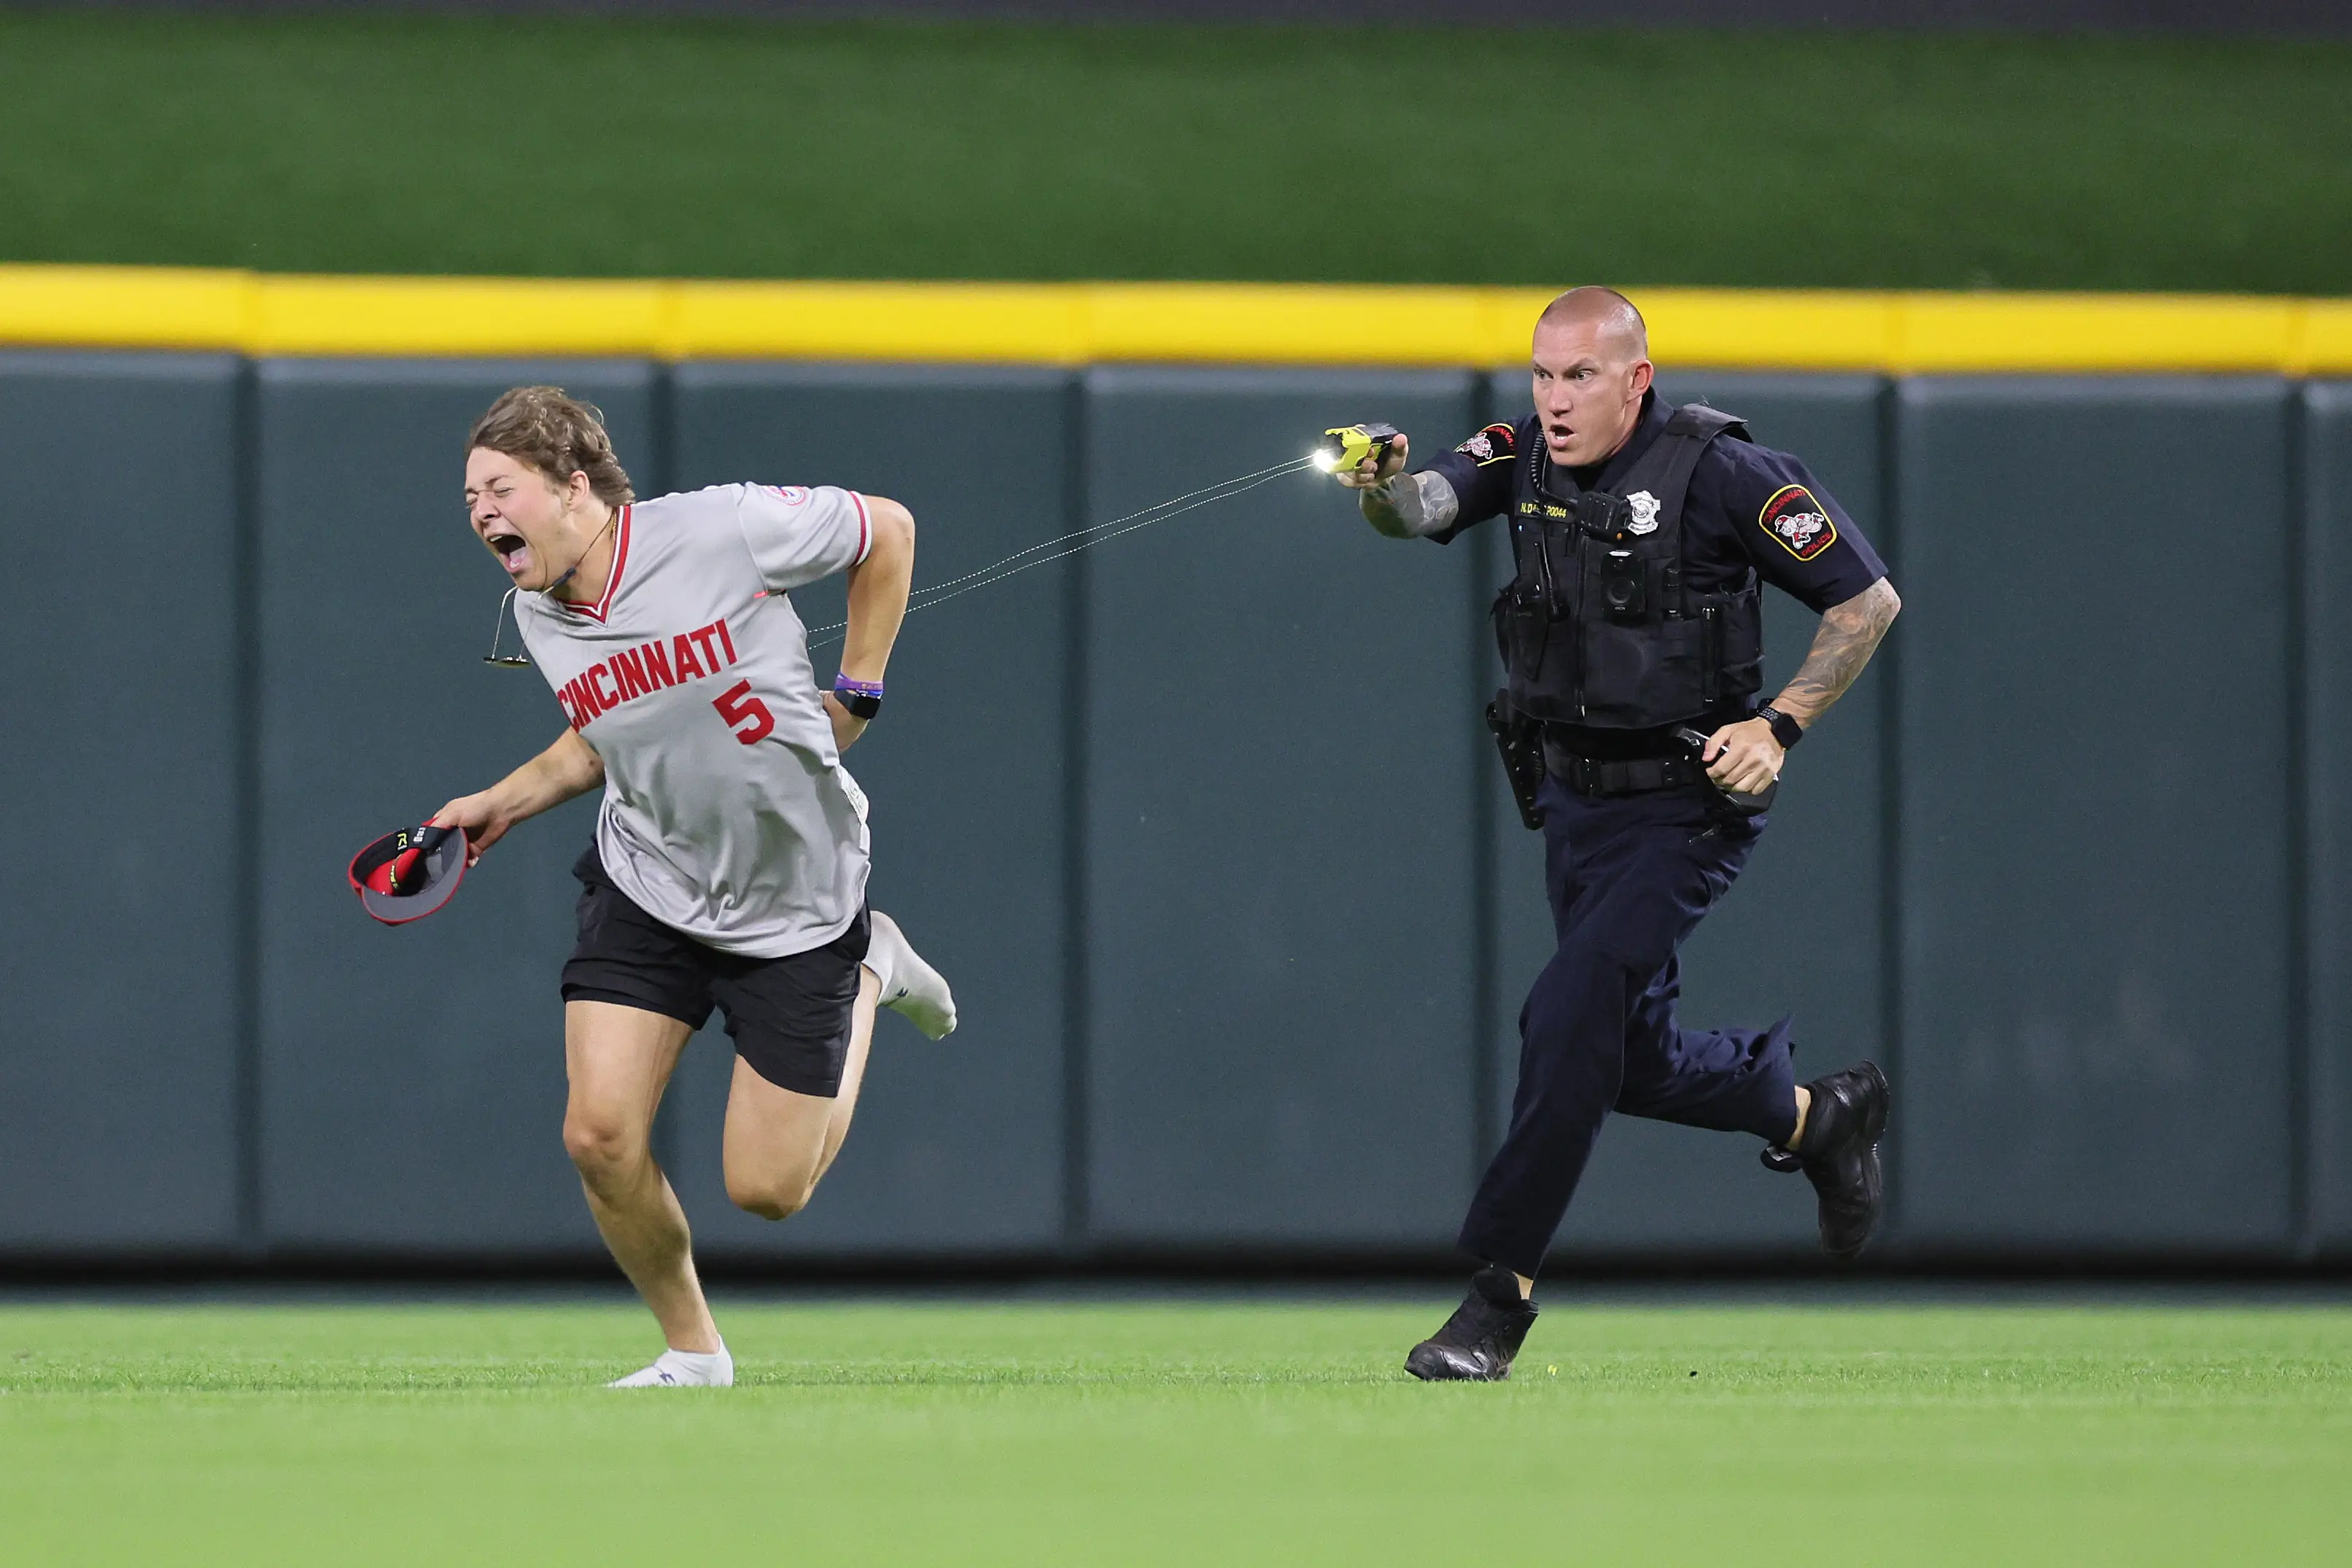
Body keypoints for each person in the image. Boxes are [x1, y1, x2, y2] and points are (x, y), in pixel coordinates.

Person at [1336, 289, 1901, 1381]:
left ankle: (1498, 1297)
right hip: (1577, 807)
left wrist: (1777, 725)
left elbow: (1866, 600)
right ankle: (1815, 1118)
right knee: (1620, 1055)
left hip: (1687, 806)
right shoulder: (1523, 454)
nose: (1554, 399)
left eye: (1580, 376)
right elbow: (1418, 511)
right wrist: (1376, 488)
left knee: (1566, 1011)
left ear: (1636, 379)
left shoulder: (1722, 471)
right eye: (1543, 374)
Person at [433, 387, 958, 1389]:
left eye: (499, 487)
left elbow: (887, 531)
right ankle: (693, 1349)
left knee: (767, 1190)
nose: (480, 511)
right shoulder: (537, 613)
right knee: (597, 1132)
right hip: (653, 877)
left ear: (573, 485)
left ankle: (871, 967)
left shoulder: (719, 527)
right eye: (468, 497)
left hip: (796, 895)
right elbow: (610, 733)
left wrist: (858, 688)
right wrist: (500, 801)